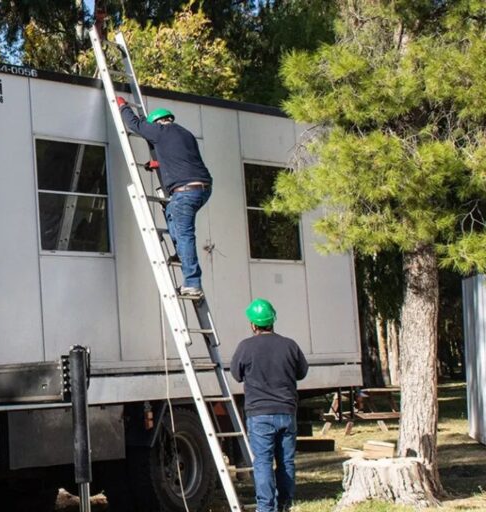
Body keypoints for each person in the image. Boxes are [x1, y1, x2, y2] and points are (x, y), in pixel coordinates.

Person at [117, 97, 212, 298]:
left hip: (185, 191)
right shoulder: (186, 134)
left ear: (158, 122)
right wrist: (157, 165)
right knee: (171, 212)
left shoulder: (160, 131)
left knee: (186, 234)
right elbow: (180, 158)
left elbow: (135, 124)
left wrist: (123, 106)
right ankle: (181, 253)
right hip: (202, 188)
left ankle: (193, 283)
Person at [230, 299, 309, 512]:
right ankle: (285, 504)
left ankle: (266, 508)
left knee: (263, 462)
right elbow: (302, 372)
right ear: (273, 320)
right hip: (286, 411)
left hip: (259, 415)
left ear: (253, 324)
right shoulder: (290, 345)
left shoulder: (245, 347)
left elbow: (236, 375)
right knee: (286, 462)